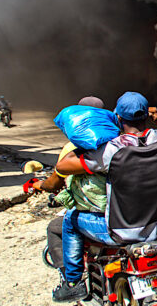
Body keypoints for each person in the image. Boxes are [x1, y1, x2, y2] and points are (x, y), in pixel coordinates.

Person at [52, 91, 157, 302]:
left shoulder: (110, 150)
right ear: (146, 117)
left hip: (122, 232)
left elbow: (63, 166)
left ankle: (73, 283)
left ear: (119, 119)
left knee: (69, 219)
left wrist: (78, 141)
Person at [32, 96, 108, 270]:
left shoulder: (71, 150)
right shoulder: (120, 141)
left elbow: (58, 184)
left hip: (97, 214)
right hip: (127, 212)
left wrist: (40, 186)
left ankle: (71, 279)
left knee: (59, 226)